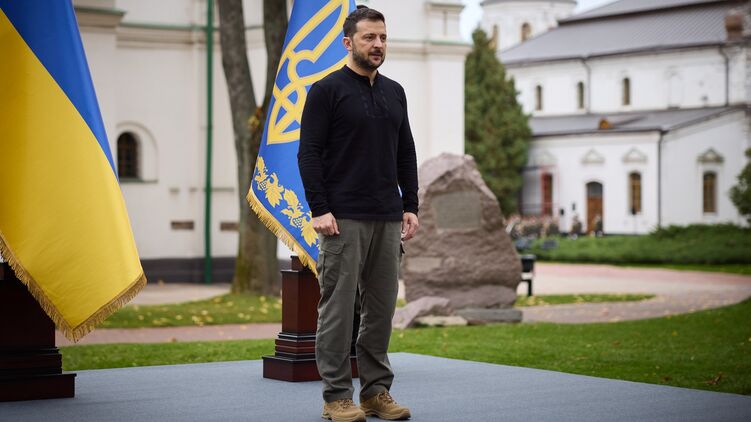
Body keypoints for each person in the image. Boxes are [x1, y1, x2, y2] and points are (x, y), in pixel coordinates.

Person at [298, 6, 419, 422]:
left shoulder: (395, 92)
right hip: (342, 219)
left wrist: (410, 204)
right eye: (369, 37)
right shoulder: (326, 90)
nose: (378, 44)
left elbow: (405, 151)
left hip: (387, 216)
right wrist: (319, 208)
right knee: (337, 311)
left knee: (381, 311)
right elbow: (309, 153)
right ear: (348, 42)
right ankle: (336, 396)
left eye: (382, 37)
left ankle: (375, 392)